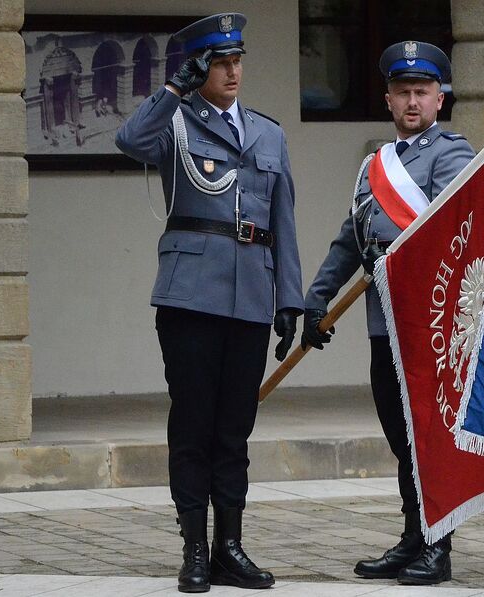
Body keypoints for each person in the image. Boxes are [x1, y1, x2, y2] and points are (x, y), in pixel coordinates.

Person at [115, 12, 303, 593]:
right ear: (198, 68)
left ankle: (230, 546)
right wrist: (174, 88)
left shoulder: (267, 133)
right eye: (220, 62)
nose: (232, 71)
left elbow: (283, 220)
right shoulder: (174, 123)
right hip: (190, 296)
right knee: (194, 424)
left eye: (237, 60)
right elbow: (130, 140)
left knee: (234, 430)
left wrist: (289, 298)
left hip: (251, 293)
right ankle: (194, 549)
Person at [300, 41, 474, 586]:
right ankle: (413, 537)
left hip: (430, 320)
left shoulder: (453, 153)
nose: (413, 101)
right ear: (388, 99)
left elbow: (451, 229)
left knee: (428, 437)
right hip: (385, 323)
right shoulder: (376, 166)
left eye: (422, 92)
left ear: (440, 99)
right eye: (403, 92)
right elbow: (350, 240)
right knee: (402, 437)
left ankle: (438, 546)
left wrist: (393, 252)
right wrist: (316, 297)